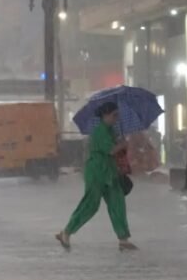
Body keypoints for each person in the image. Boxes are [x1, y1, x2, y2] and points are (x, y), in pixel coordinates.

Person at [57, 102, 137, 252]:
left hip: (110, 172)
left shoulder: (111, 130)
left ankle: (123, 239)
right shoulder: (100, 131)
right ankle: (66, 232)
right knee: (90, 205)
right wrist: (123, 144)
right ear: (105, 115)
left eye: (117, 115)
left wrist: (121, 142)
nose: (116, 118)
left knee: (117, 203)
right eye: (114, 115)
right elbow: (111, 150)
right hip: (96, 173)